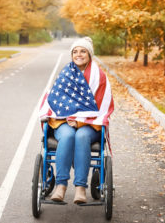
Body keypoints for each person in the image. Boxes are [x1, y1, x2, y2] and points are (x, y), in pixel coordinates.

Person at [39, 37, 114, 204]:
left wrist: (80, 120)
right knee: (67, 136)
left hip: (89, 125)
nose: (78, 54)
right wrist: (69, 118)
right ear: (71, 54)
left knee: (81, 136)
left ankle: (80, 187)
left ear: (89, 54)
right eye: (75, 51)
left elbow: (103, 106)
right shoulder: (66, 73)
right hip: (63, 122)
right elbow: (55, 100)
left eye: (83, 51)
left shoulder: (99, 77)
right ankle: (61, 186)